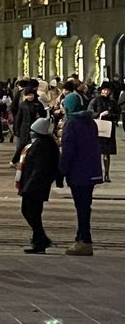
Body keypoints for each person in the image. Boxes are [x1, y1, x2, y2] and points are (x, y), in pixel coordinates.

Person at [59, 99, 103, 256]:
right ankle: (80, 238)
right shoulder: (91, 122)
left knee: (82, 208)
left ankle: (85, 241)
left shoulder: (71, 124)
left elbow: (68, 151)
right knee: (85, 206)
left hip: (78, 172)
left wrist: (61, 171)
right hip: (91, 170)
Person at [15, 117, 63, 254]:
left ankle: (41, 239)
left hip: (35, 185)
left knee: (30, 212)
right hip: (33, 184)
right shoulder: (41, 143)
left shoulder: (43, 146)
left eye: (33, 131)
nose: (31, 134)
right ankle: (39, 240)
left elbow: (40, 168)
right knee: (32, 212)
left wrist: (29, 185)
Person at [88, 81, 120, 183]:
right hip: (97, 128)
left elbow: (117, 115)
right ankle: (97, 173)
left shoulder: (112, 102)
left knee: (106, 153)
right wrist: (100, 114)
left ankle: (106, 174)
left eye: (107, 90)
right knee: (96, 152)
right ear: (101, 90)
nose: (106, 91)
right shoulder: (95, 100)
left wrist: (109, 114)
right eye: (104, 89)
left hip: (108, 129)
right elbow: (90, 112)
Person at [11, 87, 46, 166]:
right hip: (24, 129)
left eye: (32, 94)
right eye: (28, 95)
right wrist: (16, 129)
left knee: (34, 146)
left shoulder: (38, 104)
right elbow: (18, 118)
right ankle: (14, 161)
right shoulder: (23, 105)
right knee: (22, 145)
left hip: (35, 128)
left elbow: (43, 114)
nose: (30, 96)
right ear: (25, 96)